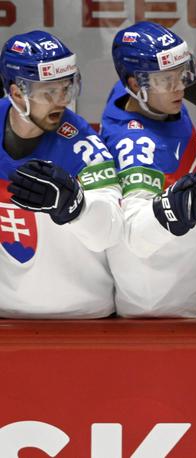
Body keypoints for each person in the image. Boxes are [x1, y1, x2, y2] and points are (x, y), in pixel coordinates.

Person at [100, 22, 196, 317]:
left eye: (181, 74)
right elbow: (135, 233)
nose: (180, 86)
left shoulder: (150, 99)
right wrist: (175, 210)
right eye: (167, 79)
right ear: (134, 84)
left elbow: (168, 149)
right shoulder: (134, 148)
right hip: (162, 308)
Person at [0, 31, 123, 318]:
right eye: (49, 92)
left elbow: (111, 231)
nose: (62, 101)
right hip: (5, 319)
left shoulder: (84, 145)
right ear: (18, 93)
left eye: (66, 88)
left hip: (82, 317)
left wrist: (77, 207)